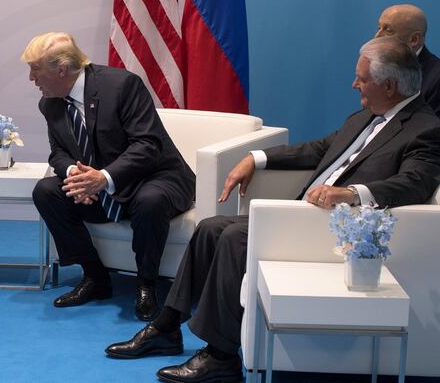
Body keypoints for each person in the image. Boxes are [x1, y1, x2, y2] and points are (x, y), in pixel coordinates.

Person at [105, 35, 440, 382]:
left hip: (341, 232)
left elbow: (414, 183)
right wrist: (257, 158)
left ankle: (221, 357)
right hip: (302, 215)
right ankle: (166, 327)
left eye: (362, 78)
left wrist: (350, 193)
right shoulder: (366, 115)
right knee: (210, 227)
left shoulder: (425, 129)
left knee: (235, 236)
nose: (354, 83)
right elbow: (318, 148)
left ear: (389, 85)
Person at [23, 32, 195, 321]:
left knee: (150, 200)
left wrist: (103, 177)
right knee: (46, 191)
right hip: (100, 185)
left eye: (36, 69)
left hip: (154, 175)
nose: (31, 78)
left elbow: (147, 145)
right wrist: (76, 175)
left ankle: (146, 284)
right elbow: (58, 153)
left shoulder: (122, 85)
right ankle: (95, 277)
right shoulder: (50, 103)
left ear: (62, 69)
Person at [376, 4, 440, 117]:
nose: (377, 37)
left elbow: (429, 131)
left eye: (388, 30)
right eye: (378, 28)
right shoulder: (378, 68)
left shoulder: (436, 79)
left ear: (414, 40)